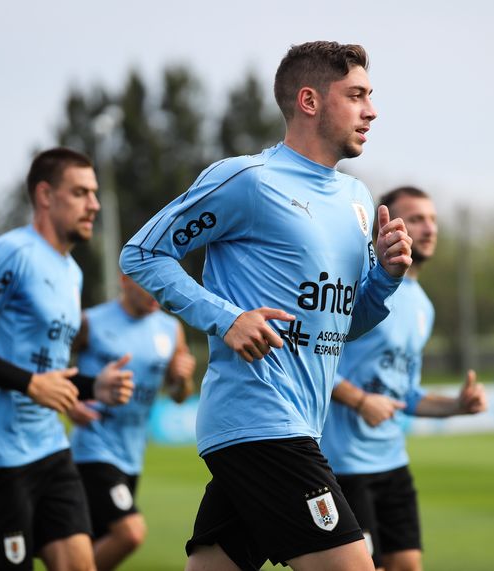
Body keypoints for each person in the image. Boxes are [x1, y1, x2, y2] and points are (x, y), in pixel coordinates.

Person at [121, 41, 413, 571]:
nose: (372, 110)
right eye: (356, 95)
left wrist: (387, 279)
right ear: (309, 100)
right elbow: (142, 254)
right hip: (259, 420)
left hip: (298, 423)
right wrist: (227, 318)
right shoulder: (248, 180)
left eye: (370, 96)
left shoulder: (357, 200)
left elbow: (342, 327)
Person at [0, 148, 135, 571]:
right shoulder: (11, 253)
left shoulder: (71, 271)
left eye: (94, 193)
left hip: (51, 449)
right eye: (80, 192)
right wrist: (28, 384)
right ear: (45, 195)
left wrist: (92, 386)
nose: (94, 204)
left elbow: (47, 370)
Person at [320, 186, 487, 571]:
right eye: (415, 219)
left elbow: (404, 395)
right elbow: (313, 362)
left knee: (408, 566)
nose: (428, 228)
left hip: (392, 462)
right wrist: (360, 401)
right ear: (387, 229)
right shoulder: (358, 290)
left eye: (432, 219)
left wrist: (457, 407)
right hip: (343, 465)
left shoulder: (423, 306)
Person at [67, 274, 196, 570]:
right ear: (124, 280)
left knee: (94, 543)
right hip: (93, 446)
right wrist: (71, 404)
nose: (156, 294)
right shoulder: (91, 322)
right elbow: (55, 365)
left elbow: (179, 395)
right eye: (148, 284)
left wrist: (181, 378)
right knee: (130, 533)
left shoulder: (170, 329)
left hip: (132, 453)